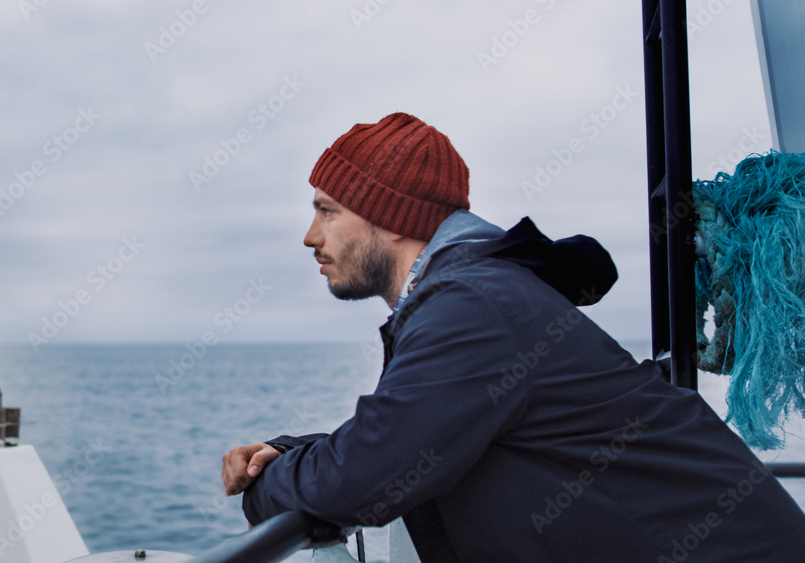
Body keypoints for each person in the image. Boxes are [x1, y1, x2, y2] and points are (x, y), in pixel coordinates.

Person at [220, 112, 805, 561]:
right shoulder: (478, 295)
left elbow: (363, 480)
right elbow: (422, 431)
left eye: (327, 211)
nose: (308, 236)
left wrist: (264, 485)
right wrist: (300, 451)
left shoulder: (471, 304)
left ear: (387, 215)